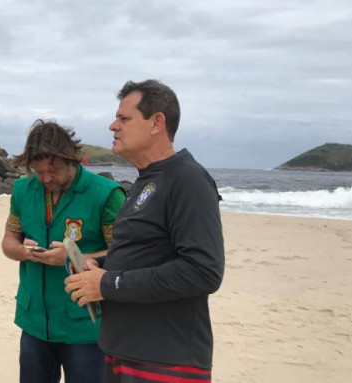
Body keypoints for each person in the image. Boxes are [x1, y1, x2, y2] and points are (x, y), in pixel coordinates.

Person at [64, 80, 224, 383]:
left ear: (157, 123)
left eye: (124, 118)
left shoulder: (187, 180)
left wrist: (108, 284)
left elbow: (204, 271)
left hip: (164, 360)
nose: (113, 126)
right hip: (123, 350)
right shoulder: (145, 182)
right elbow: (144, 253)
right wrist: (100, 264)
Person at [1, 120, 125, 383]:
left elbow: (125, 256)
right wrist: (25, 253)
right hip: (33, 321)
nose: (45, 178)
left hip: (85, 326)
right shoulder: (22, 190)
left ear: (73, 160)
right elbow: (9, 242)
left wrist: (74, 258)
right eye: (39, 171)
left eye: (53, 170)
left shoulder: (106, 194)